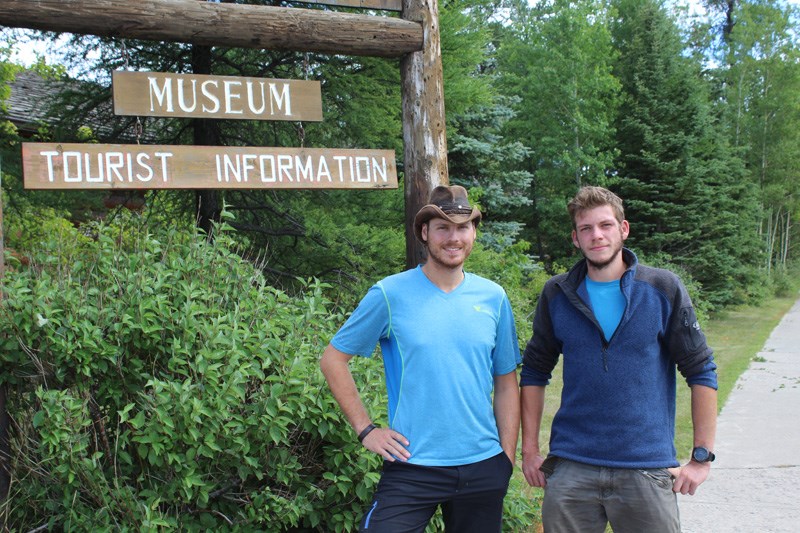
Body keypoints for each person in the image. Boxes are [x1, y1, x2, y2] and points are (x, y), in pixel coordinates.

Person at [320, 185, 521, 532]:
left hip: (482, 466)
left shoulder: (493, 297)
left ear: (473, 232)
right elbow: (332, 360)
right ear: (425, 232)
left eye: (462, 227)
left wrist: (505, 458)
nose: (453, 237)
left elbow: (505, 382)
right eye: (443, 227)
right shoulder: (390, 293)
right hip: (412, 465)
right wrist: (366, 430)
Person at [520, 186, 718, 533]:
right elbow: (535, 372)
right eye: (586, 229)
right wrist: (530, 451)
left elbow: (701, 370)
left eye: (605, 225)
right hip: (572, 467)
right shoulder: (557, 293)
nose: (597, 235)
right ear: (575, 238)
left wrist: (701, 458)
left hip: (646, 466)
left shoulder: (663, 289)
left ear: (623, 229)